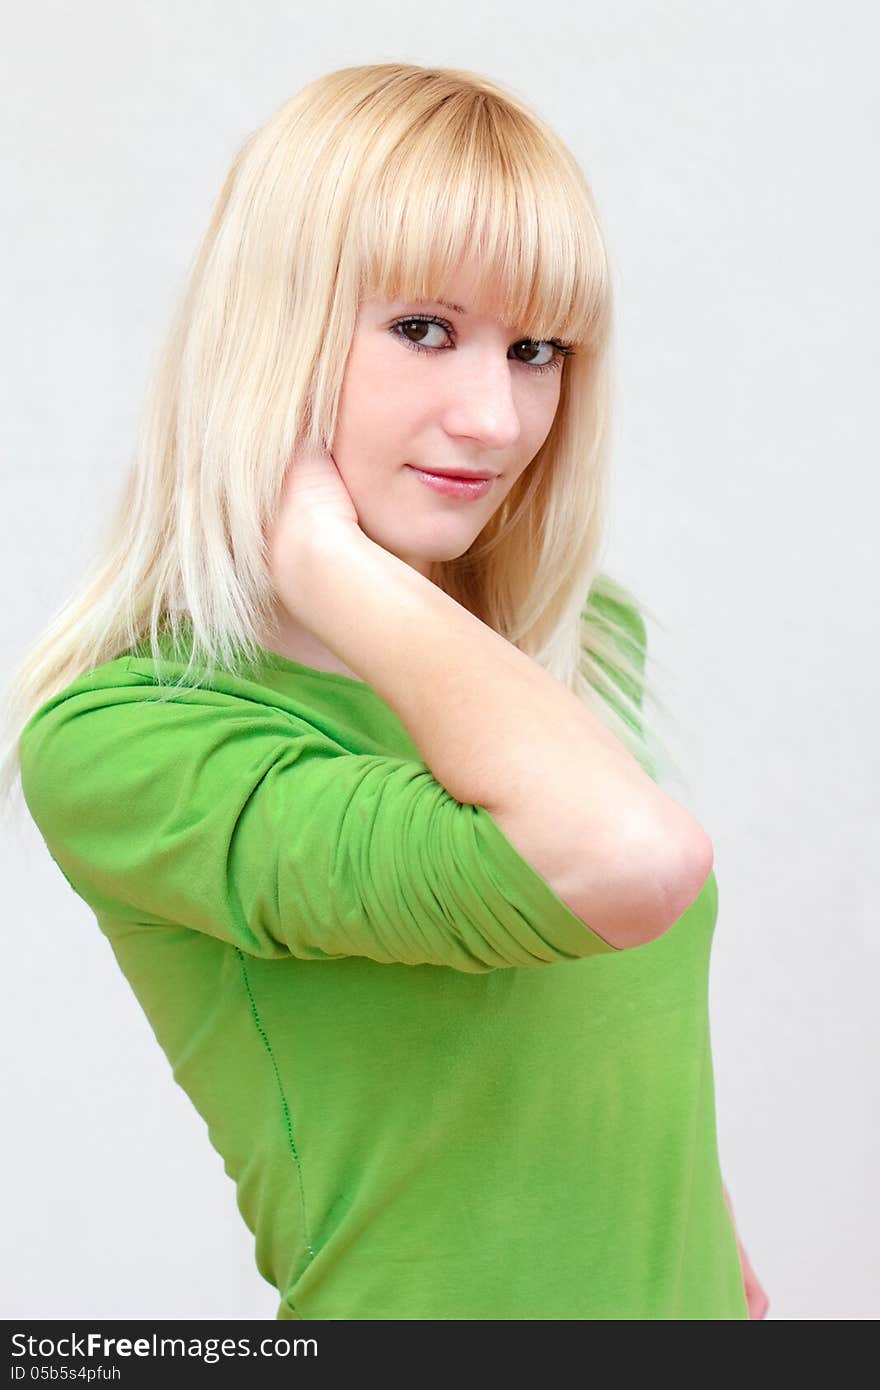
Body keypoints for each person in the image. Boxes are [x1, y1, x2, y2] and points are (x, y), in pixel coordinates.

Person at [0, 62, 768, 1320]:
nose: (498, 417)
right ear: (272, 331)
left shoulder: (568, 645)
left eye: (535, 349)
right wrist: (319, 557)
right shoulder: (127, 740)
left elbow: (594, 1042)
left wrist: (705, 1251)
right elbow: (628, 862)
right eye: (425, 329)